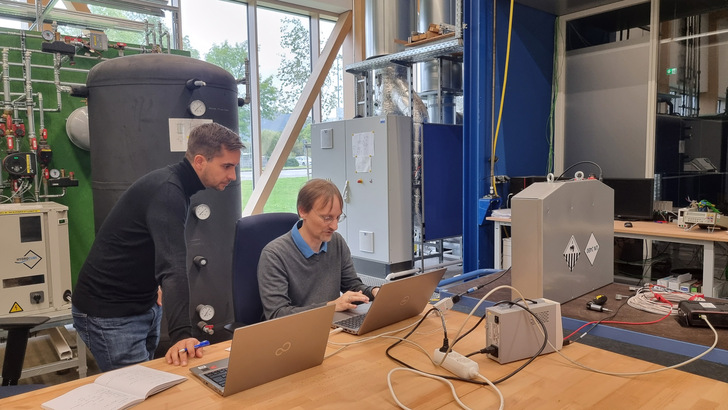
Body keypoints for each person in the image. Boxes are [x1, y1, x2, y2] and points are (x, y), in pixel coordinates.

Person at [72, 122, 244, 371]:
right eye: (227, 166)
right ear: (199, 161)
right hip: (110, 314)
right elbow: (173, 268)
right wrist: (182, 335)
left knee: (144, 381)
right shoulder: (168, 192)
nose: (233, 176)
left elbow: (149, 244)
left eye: (235, 167)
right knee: (136, 393)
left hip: (144, 304)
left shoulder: (175, 187)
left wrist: (153, 284)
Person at [258, 178, 379, 319]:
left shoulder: (336, 242)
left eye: (338, 217)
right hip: (293, 334)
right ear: (303, 211)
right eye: (327, 218)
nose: (335, 226)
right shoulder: (274, 254)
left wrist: (374, 292)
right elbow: (277, 314)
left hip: (330, 325)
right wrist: (331, 306)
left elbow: (352, 287)